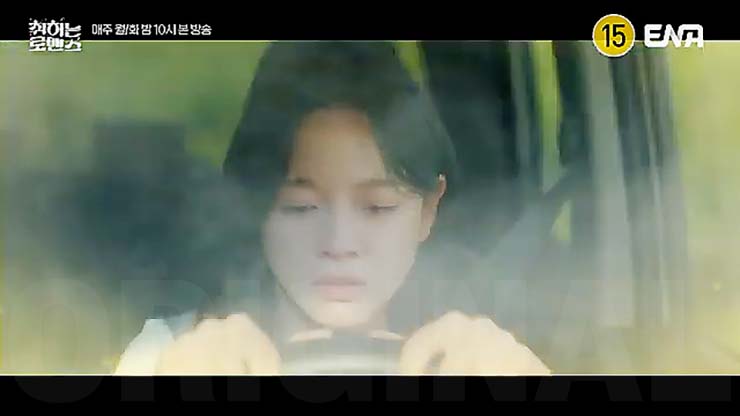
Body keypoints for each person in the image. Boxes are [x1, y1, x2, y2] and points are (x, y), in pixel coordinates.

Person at [114, 41, 550, 375]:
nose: (340, 244)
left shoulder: (487, 357)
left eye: (377, 207)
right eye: (301, 207)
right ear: (257, 207)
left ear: (428, 210)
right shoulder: (172, 352)